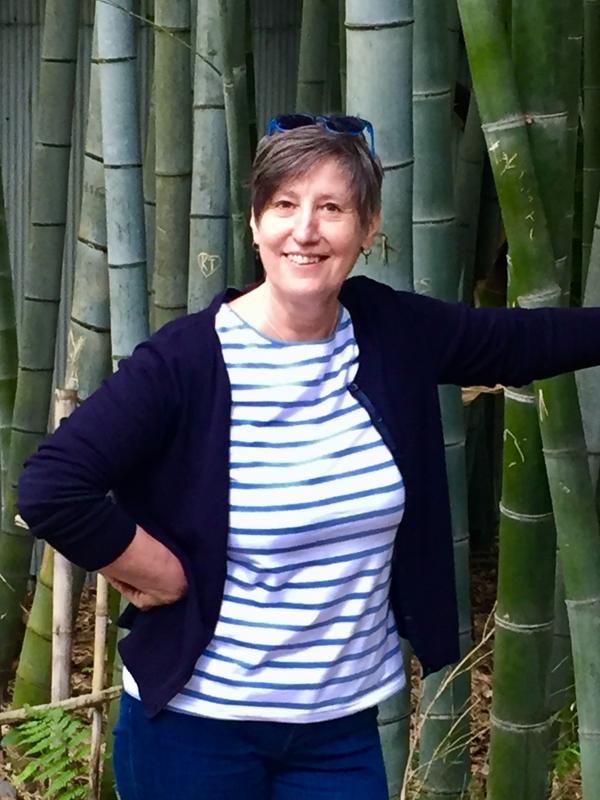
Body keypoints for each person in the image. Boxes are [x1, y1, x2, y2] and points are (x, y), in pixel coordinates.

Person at [17, 114, 600, 800]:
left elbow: (523, 342)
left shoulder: (391, 332)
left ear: (368, 227)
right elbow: (52, 486)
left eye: (332, 208)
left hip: (339, 731)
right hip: (197, 726)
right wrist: (158, 570)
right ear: (255, 223)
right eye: (285, 205)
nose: (306, 230)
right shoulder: (187, 361)